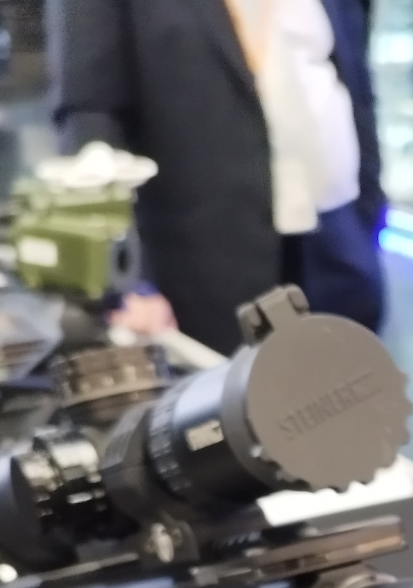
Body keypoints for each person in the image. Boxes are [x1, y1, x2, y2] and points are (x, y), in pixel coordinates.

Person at [51, 0, 385, 355]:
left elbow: (352, 69)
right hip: (202, 272)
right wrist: (130, 282)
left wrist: (370, 206)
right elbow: (89, 115)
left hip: (338, 241)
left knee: (350, 381)